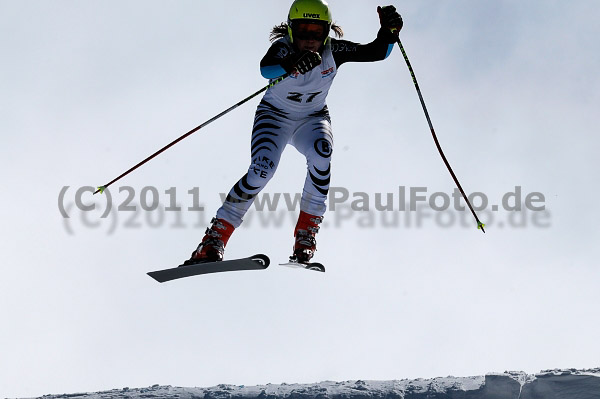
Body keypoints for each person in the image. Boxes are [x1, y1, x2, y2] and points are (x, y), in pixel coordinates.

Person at [184, 0, 403, 265]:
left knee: (323, 155)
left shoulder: (335, 50)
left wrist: (389, 34)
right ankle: (214, 239)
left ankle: (305, 235)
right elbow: (266, 69)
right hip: (274, 117)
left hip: (312, 119)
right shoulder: (282, 48)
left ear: (327, 32)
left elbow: (376, 52)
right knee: (261, 170)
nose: (310, 39)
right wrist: (291, 64)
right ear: (290, 31)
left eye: (317, 32)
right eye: (303, 31)